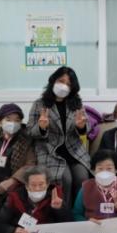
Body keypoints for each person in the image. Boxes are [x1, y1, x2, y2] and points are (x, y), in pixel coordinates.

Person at [27, 66, 91, 207]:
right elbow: (30, 131)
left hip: (74, 151)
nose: (64, 86)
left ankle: (79, 213)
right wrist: (41, 127)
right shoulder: (39, 104)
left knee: (82, 177)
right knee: (64, 179)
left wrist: (81, 127)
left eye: (69, 84)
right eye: (61, 81)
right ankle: (63, 213)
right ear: (53, 81)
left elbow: (86, 127)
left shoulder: (76, 104)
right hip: (50, 151)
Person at [0, 103, 37, 211]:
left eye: (17, 120)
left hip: (10, 182)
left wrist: (13, 180)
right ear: (0, 121)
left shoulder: (26, 140)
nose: (13, 123)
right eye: (8, 119)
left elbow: (30, 164)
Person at [73, 149, 117, 222]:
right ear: (94, 170)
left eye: (109, 169)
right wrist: (87, 222)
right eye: (100, 169)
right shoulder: (86, 187)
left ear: (116, 169)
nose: (104, 172)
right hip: (94, 228)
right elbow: (76, 214)